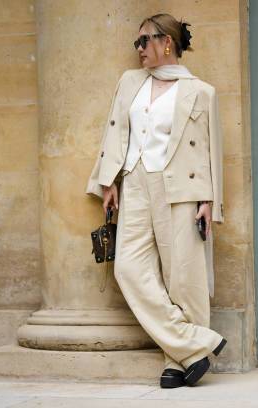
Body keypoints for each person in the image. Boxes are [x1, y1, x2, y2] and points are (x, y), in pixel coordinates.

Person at [85, 13, 227, 388]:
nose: (139, 50)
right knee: (128, 268)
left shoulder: (201, 91)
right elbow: (114, 131)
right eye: (137, 43)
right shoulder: (130, 82)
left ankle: (178, 359)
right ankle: (194, 346)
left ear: (167, 42)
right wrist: (108, 180)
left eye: (144, 41)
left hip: (181, 188)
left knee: (183, 276)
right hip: (133, 182)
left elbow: (211, 151)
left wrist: (210, 200)